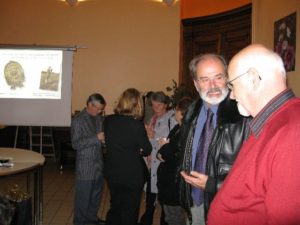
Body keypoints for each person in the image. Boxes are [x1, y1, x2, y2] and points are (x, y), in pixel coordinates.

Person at [207, 44, 300, 225]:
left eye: (232, 85)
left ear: (253, 78)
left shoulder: (293, 131)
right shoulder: (270, 121)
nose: (231, 96)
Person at [178, 53, 250, 225]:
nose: (213, 85)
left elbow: (254, 174)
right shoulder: (191, 113)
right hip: (194, 201)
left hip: (227, 206)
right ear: (196, 84)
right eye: (204, 79)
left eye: (218, 77)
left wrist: (213, 184)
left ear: (228, 78)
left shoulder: (245, 115)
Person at [104, 88, 152, 225]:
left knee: (116, 206)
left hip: (112, 171)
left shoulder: (108, 120)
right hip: (131, 174)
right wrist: (140, 148)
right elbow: (147, 149)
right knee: (130, 210)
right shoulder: (136, 124)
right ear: (137, 104)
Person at [139, 91, 177, 225]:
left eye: (159, 105)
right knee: (150, 194)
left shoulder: (172, 118)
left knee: (162, 196)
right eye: (154, 106)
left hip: (162, 164)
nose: (156, 109)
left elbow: (171, 141)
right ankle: (147, 219)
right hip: (151, 163)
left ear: (166, 104)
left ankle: (162, 221)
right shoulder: (153, 118)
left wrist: (152, 136)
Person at [156, 97, 193, 225]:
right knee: (169, 216)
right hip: (168, 180)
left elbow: (175, 157)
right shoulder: (178, 127)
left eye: (176, 110)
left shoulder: (187, 131)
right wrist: (163, 151)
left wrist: (163, 149)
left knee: (174, 217)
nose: (174, 112)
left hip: (175, 183)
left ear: (182, 112)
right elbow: (163, 152)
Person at [71, 93, 106, 225]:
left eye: (101, 109)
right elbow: (76, 144)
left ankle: (91, 220)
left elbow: (100, 139)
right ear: (89, 104)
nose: (100, 111)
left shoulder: (98, 118)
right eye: (98, 108)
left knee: (95, 198)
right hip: (85, 169)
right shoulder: (78, 120)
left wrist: (103, 141)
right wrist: (96, 138)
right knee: (82, 200)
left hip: (98, 166)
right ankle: (79, 222)